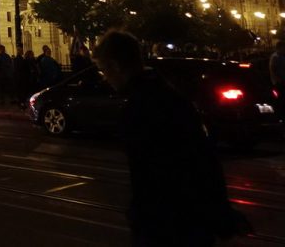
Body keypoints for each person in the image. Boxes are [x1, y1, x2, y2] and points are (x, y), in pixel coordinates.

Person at [94, 30, 250, 246]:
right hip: (188, 219)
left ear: (115, 66)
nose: (105, 78)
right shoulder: (168, 94)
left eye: (103, 70)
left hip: (168, 223)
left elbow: (152, 174)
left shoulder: (139, 106)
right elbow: (205, 158)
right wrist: (220, 211)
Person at [270, 40, 285, 115]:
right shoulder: (276, 57)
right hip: (279, 83)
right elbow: (273, 69)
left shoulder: (281, 56)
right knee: (281, 99)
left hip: (281, 81)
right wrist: (279, 80)